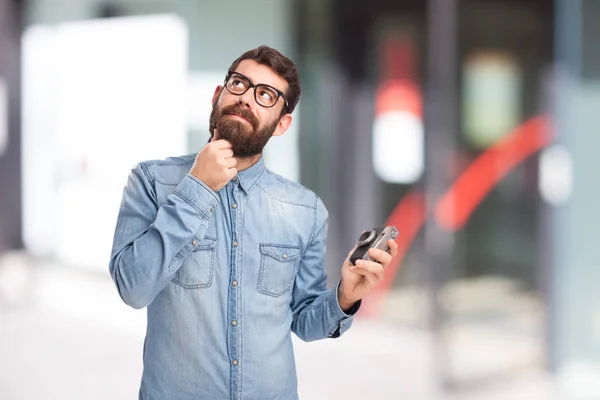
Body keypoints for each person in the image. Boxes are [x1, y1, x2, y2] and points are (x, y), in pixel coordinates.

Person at [109, 45, 398, 400]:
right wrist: (198, 188)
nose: (247, 98)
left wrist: (345, 295)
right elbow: (132, 288)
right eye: (239, 84)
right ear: (218, 95)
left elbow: (305, 321)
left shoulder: (304, 210)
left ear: (281, 124)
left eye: (265, 95)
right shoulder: (152, 182)